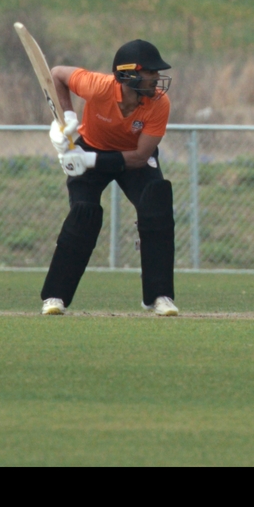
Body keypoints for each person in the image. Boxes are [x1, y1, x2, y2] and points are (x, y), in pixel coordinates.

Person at [39, 39, 179, 317]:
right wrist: (67, 119)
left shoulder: (159, 103)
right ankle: (55, 296)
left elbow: (140, 157)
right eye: (150, 72)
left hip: (131, 157)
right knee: (84, 214)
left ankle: (158, 296)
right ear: (128, 74)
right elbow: (56, 74)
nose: (156, 78)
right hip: (91, 146)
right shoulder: (98, 86)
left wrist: (88, 161)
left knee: (157, 203)